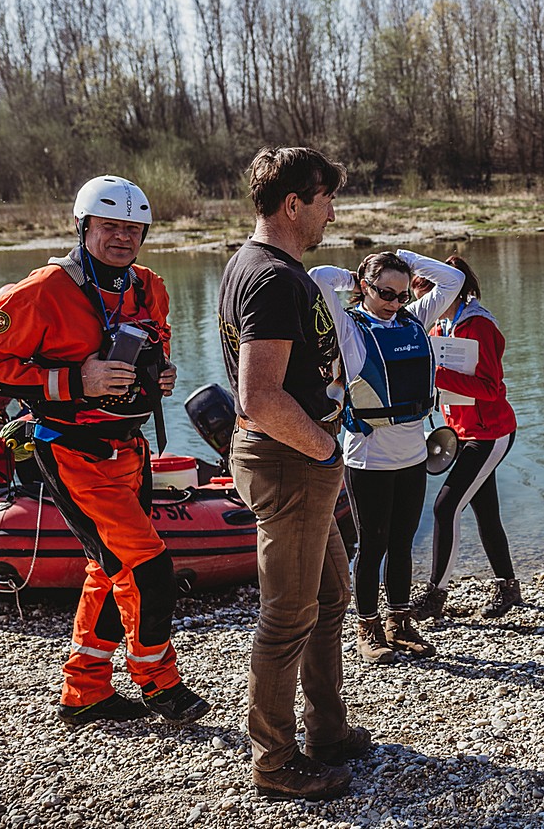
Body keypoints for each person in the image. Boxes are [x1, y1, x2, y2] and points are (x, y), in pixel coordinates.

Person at [0, 176, 209, 726]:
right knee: (148, 567)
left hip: (131, 448)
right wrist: (75, 379)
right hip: (73, 450)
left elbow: (157, 341)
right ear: (83, 227)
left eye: (133, 228)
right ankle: (158, 682)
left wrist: (160, 374)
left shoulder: (149, 285)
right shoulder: (43, 290)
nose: (123, 237)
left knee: (108, 566)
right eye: (110, 227)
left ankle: (85, 690)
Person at [218, 147, 368, 802]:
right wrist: (326, 451)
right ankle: (275, 761)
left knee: (331, 596)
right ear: (292, 204)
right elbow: (259, 397)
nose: (331, 213)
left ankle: (327, 731)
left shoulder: (256, 266)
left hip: (295, 460)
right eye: (325, 200)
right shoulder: (273, 279)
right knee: (287, 618)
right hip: (291, 463)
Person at [308, 250, 464, 662]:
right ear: (366, 287)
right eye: (385, 294)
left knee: (402, 543)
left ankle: (399, 622)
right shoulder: (351, 328)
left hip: (412, 455)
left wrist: (407, 259)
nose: (394, 303)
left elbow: (453, 280)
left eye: (402, 295)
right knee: (372, 544)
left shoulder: (414, 320)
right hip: (369, 460)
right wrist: (355, 277)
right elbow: (318, 276)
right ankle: (367, 627)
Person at [407, 255, 522, 620]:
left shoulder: (478, 325)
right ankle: (509, 588)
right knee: (485, 513)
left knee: (445, 508)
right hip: (462, 433)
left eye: (430, 296)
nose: (427, 305)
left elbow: (490, 388)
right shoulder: (440, 328)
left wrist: (436, 374)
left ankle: (435, 595)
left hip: (491, 433)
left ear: (451, 290)